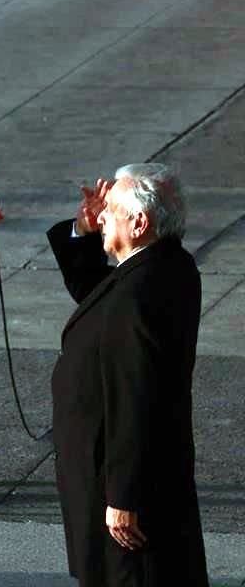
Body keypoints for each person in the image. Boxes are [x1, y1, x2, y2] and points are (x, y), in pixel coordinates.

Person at [47, 163, 208, 586]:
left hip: (119, 480)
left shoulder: (137, 295)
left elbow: (134, 398)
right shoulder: (165, 266)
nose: (102, 216)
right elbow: (96, 297)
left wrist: (123, 497)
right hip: (140, 473)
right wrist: (84, 232)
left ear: (138, 222)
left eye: (111, 211)